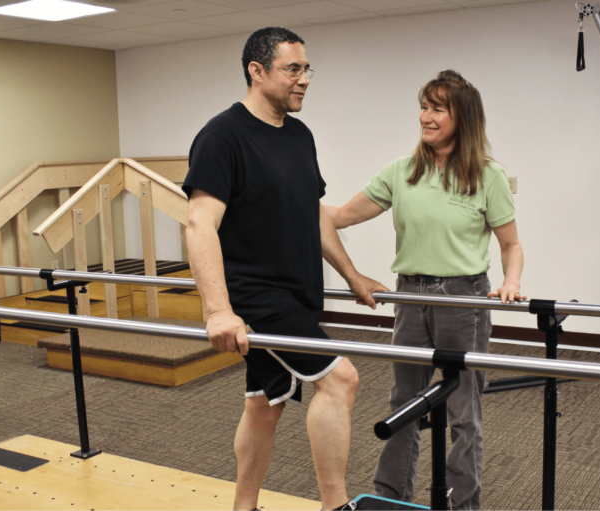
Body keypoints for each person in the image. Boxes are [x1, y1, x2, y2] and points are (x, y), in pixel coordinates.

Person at [182, 27, 389, 511]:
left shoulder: (299, 135)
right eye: (292, 69)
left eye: (306, 69)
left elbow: (313, 213)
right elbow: (199, 224)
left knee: (264, 404)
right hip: (257, 298)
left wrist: (352, 275)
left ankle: (244, 507)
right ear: (257, 72)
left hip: (298, 292)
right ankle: (335, 505)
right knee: (341, 380)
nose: (304, 79)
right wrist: (218, 311)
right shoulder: (221, 137)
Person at [324, 70, 525, 511]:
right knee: (405, 401)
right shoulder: (401, 171)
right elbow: (337, 216)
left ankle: (462, 502)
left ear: (463, 118)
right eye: (424, 106)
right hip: (411, 297)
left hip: (463, 298)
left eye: (437, 109)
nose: (425, 117)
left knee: (463, 408)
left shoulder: (487, 176)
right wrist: (288, 194)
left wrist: (511, 282)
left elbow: (510, 244)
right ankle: (392, 497)